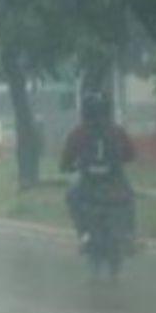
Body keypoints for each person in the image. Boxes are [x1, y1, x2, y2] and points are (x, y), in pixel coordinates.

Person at [59, 92, 136, 249]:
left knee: (72, 197)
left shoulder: (77, 133)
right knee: (129, 198)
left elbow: (65, 161)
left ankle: (83, 233)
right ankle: (129, 234)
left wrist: (68, 167)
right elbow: (131, 154)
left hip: (87, 181)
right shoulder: (117, 131)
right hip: (115, 180)